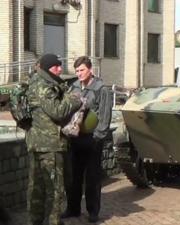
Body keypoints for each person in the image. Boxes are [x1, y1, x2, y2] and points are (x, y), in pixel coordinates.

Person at [26, 54, 82, 225]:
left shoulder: (33, 83)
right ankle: (53, 221)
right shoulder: (44, 85)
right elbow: (57, 111)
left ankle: (35, 221)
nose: (59, 69)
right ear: (46, 68)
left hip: (36, 143)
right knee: (54, 189)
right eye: (55, 66)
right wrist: (74, 99)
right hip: (50, 145)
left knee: (37, 188)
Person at [62, 56, 112, 223]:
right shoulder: (74, 87)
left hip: (92, 139)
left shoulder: (101, 89)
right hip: (75, 139)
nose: (79, 73)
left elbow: (105, 116)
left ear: (90, 70)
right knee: (73, 177)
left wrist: (97, 138)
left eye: (82, 70)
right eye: (76, 71)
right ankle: (73, 208)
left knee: (92, 178)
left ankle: (93, 211)